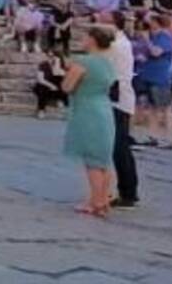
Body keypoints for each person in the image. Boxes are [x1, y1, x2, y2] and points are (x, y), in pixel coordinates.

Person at [63, 26, 118, 218]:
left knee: (92, 160)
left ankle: (96, 202)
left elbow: (68, 86)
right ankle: (103, 198)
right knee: (103, 158)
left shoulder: (83, 62)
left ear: (93, 39)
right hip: (104, 107)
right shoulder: (108, 62)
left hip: (87, 109)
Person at [104, 11, 140, 209]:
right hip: (119, 98)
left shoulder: (116, 46)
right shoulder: (119, 44)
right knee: (119, 147)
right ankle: (127, 190)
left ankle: (128, 191)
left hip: (118, 100)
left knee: (119, 148)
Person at [134, 12, 172, 149]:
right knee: (152, 107)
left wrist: (147, 41)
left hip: (160, 77)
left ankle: (168, 138)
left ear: (155, 22)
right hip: (150, 75)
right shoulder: (154, 37)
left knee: (165, 107)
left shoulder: (164, 37)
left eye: (149, 21)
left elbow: (156, 52)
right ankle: (153, 135)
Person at [33, 51, 69, 117]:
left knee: (64, 84)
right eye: (48, 56)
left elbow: (56, 73)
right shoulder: (43, 64)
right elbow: (40, 79)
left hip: (57, 88)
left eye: (52, 57)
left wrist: (57, 63)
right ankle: (41, 110)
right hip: (45, 85)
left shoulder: (62, 67)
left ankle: (63, 104)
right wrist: (51, 85)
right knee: (42, 88)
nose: (50, 58)